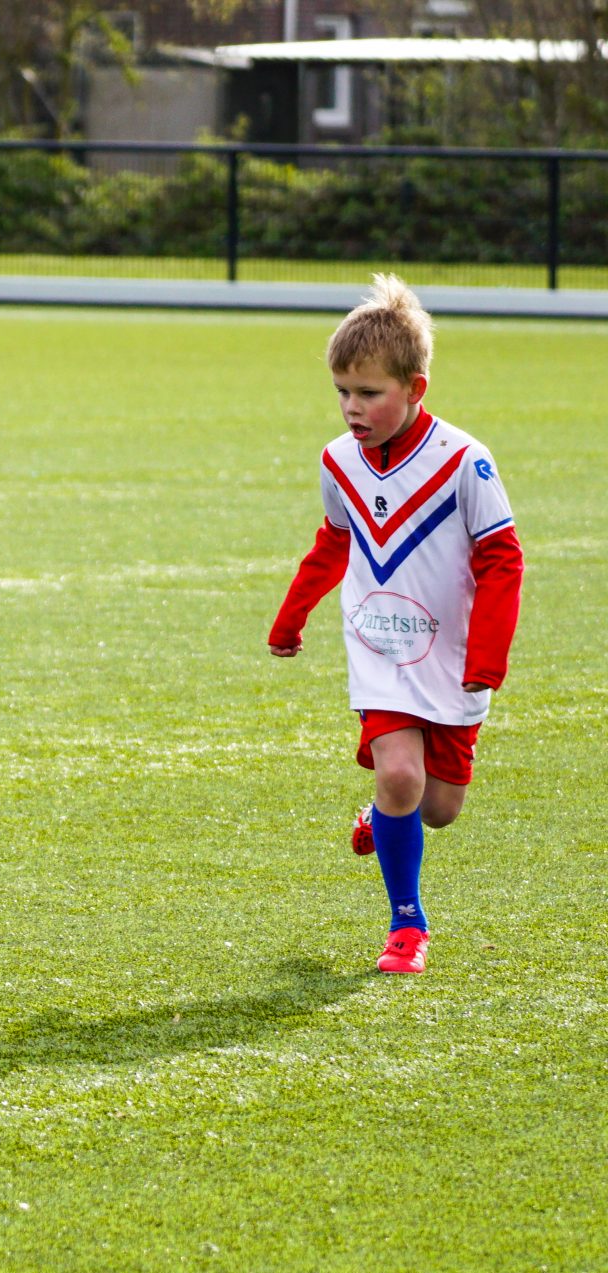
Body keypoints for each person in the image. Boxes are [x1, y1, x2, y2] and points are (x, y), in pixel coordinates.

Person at [270, 274, 524, 976]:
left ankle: (382, 820)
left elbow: (503, 559)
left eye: (370, 393)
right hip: (381, 644)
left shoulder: (463, 461)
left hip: (455, 657)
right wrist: (292, 616)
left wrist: (487, 662)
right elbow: (335, 541)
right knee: (403, 774)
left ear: (416, 387)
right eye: (342, 392)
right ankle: (406, 924)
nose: (353, 408)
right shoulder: (338, 461)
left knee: (438, 807)